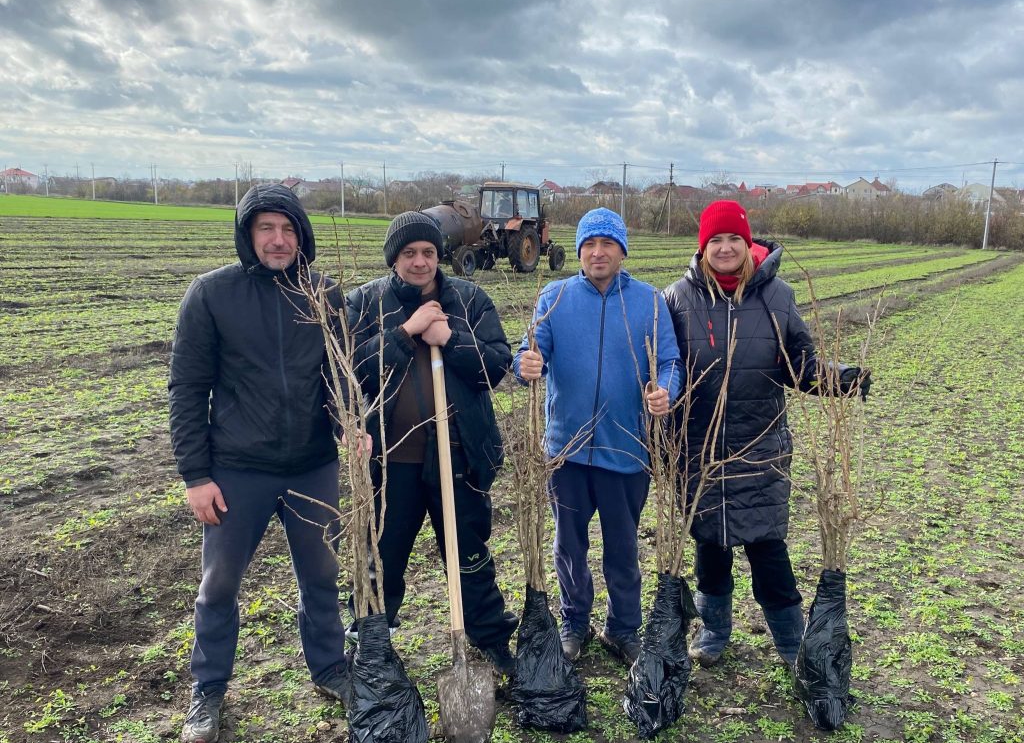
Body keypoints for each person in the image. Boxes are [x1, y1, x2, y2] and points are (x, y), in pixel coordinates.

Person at [169, 184, 352, 743]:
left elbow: (340, 377)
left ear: (303, 236)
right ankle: (209, 689)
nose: (278, 240)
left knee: (321, 576)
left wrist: (352, 427)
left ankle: (329, 668)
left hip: (312, 466)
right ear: (249, 235)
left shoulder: (323, 294)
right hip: (236, 471)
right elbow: (187, 389)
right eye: (266, 228)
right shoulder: (211, 295)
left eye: (288, 229)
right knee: (219, 583)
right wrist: (196, 476)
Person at [662, 200, 870, 669]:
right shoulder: (677, 297)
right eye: (714, 240)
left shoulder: (778, 296)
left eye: (733, 238)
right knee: (709, 547)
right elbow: (664, 366)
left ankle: (792, 643)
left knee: (768, 549)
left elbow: (801, 366)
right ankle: (714, 631)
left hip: (760, 447)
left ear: (747, 242)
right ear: (702, 247)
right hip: (700, 448)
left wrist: (842, 377)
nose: (725, 247)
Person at [345, 211, 518, 675]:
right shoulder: (365, 303)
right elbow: (353, 371)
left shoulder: (469, 299)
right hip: (391, 461)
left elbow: (495, 367)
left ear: (439, 255)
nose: (420, 262)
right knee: (383, 559)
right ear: (394, 258)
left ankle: (491, 639)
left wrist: (450, 338)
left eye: (428, 252)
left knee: (470, 556)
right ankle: (372, 648)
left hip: (458, 456)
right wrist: (406, 332)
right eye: (409, 253)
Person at [514, 207, 681, 666]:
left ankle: (623, 627)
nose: (598, 252)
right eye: (589, 244)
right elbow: (532, 351)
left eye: (608, 244)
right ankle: (574, 622)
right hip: (566, 450)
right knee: (569, 544)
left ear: (622, 251)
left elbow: (669, 360)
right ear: (580, 251)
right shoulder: (555, 296)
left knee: (623, 548)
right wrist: (524, 363)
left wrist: (667, 389)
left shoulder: (649, 301)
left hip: (626, 448)